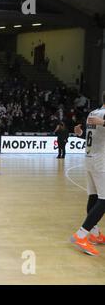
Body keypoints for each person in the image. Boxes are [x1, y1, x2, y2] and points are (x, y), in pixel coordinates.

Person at [70, 92, 105, 255]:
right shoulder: (102, 116)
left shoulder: (93, 113)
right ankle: (82, 234)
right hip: (101, 161)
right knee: (104, 200)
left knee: (94, 196)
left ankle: (95, 234)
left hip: (90, 158)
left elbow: (94, 135)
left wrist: (79, 134)